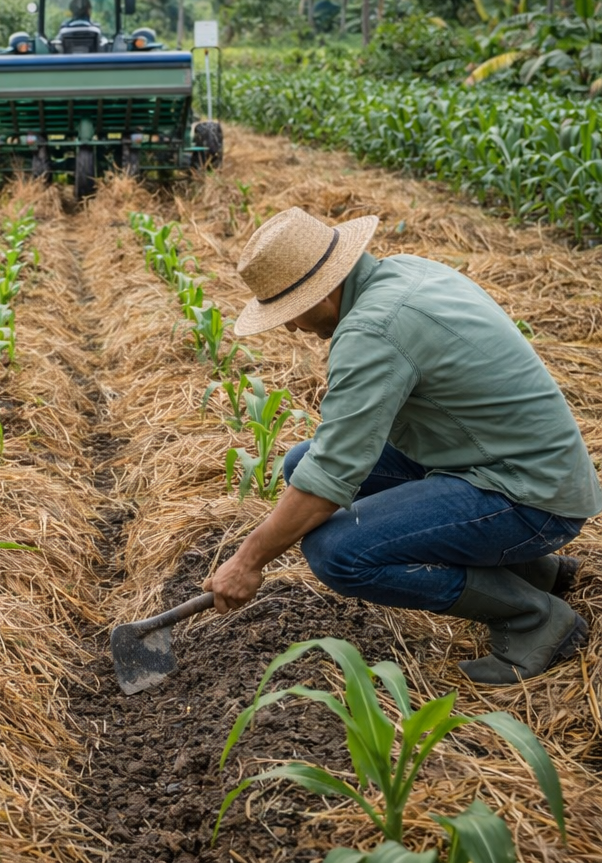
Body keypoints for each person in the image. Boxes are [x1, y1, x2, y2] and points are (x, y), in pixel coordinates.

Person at [203, 207, 599, 684]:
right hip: (514, 464)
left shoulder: (372, 330)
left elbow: (328, 482)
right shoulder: (405, 271)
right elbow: (327, 462)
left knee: (336, 551)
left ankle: (533, 617)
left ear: (324, 292)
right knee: (298, 461)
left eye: (292, 313)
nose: (292, 328)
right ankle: (536, 572)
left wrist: (247, 561)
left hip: (531, 498)